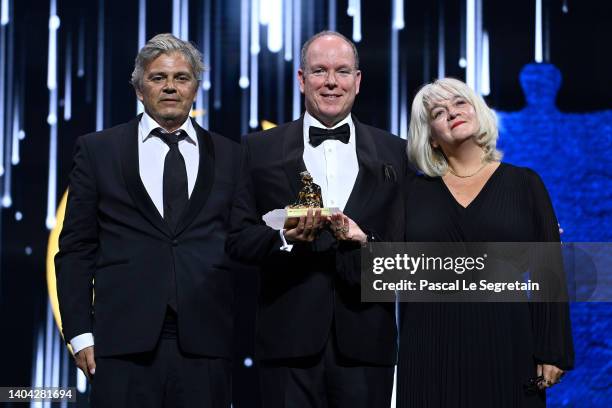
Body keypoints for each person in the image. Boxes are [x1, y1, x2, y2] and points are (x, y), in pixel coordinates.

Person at [55, 33, 239, 407]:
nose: (170, 87)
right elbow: (75, 249)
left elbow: (242, 242)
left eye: (181, 78)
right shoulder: (97, 150)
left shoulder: (232, 155)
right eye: (158, 78)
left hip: (206, 344)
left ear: (195, 88)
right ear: (140, 89)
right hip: (120, 344)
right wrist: (79, 334)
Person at [226, 31, 406, 407]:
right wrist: (285, 238)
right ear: (301, 79)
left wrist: (366, 243)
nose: (330, 82)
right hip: (285, 343)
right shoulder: (258, 149)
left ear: (357, 81)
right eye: (319, 70)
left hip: (367, 342)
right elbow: (237, 240)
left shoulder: (397, 152)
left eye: (342, 71)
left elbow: (408, 249)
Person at [398, 77, 574, 407]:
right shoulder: (412, 193)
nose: (451, 113)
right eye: (438, 111)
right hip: (428, 344)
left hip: (508, 342)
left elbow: (548, 272)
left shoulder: (526, 184)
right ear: (431, 138)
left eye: (460, 103)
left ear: (478, 111)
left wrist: (553, 349)